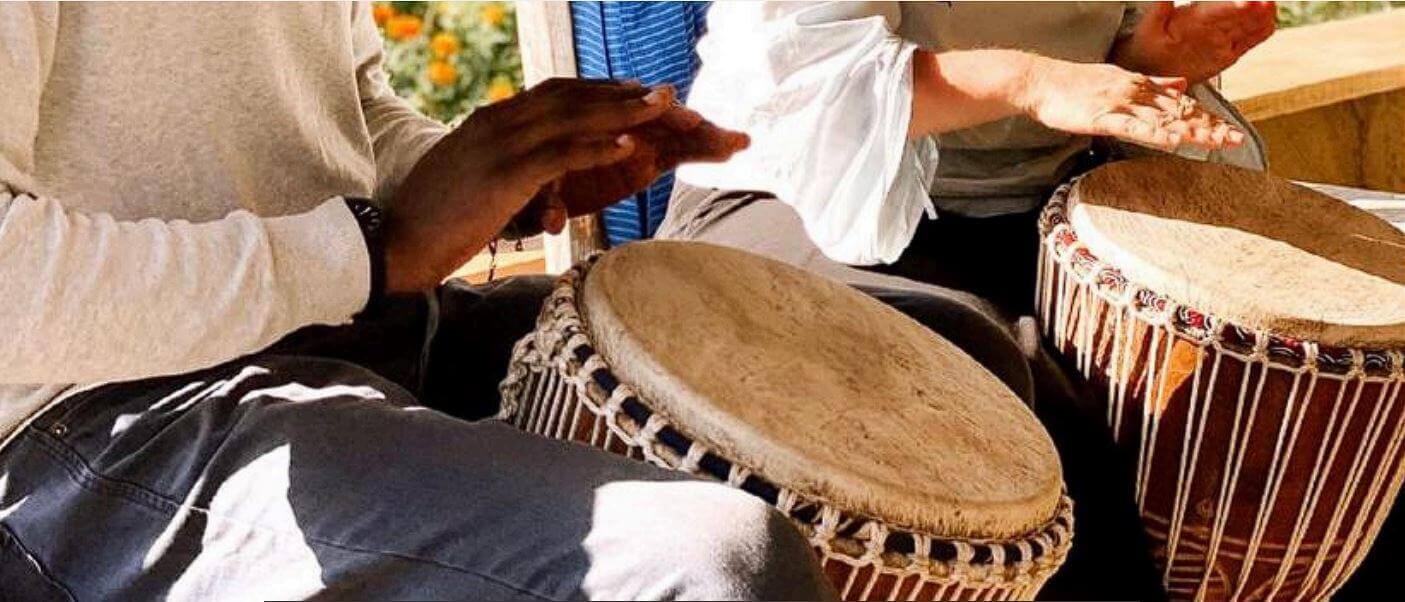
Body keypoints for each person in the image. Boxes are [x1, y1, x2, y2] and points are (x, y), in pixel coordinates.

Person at [0, 3, 834, 600]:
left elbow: (344, 116)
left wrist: (501, 174)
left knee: (840, 357)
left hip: (337, 318)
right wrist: (373, 251)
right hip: (89, 420)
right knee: (715, 564)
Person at [657, 2, 1277, 599]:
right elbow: (806, 82)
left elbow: (1103, 61)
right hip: (787, 193)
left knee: (1250, 364)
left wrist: (1150, 55)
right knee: (987, 379)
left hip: (1030, 207)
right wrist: (1027, 79)